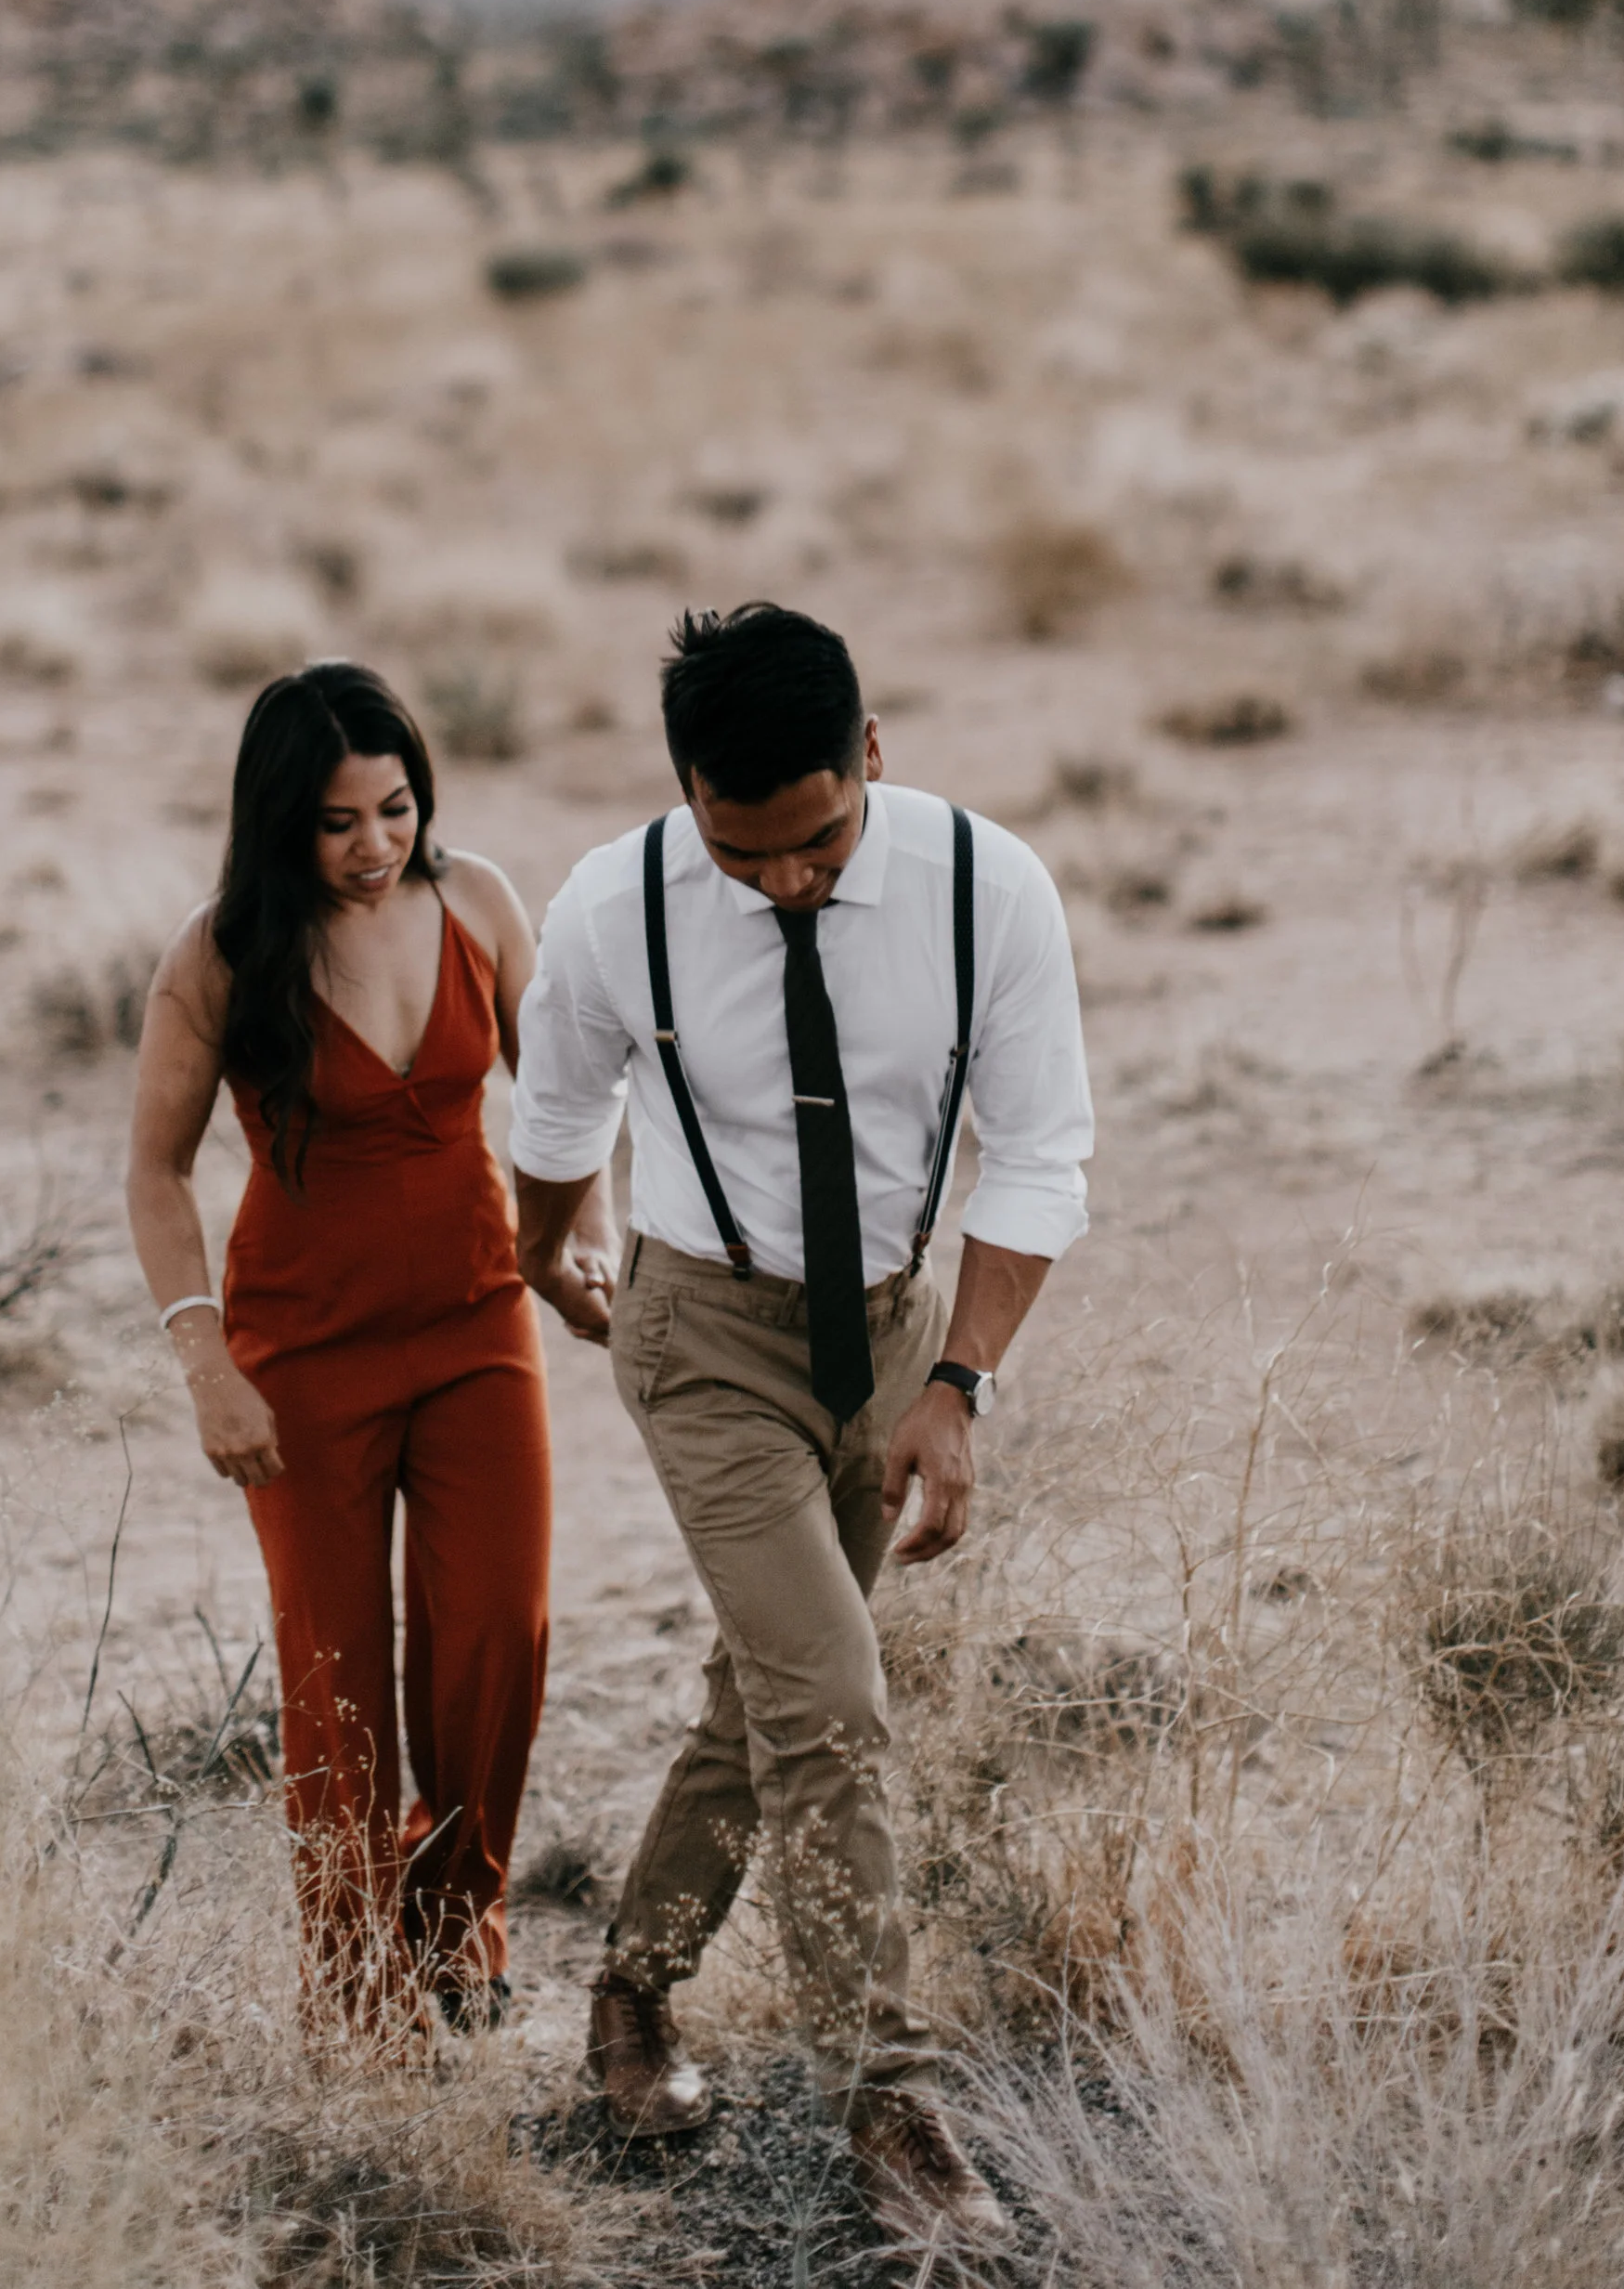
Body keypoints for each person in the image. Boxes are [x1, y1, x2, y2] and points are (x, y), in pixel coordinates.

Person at [510, 602, 1093, 2249]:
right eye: (742, 848)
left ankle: (629, 1986)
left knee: (767, 1689)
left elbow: (1041, 1152)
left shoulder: (993, 890)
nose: (786, 880)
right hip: (706, 1336)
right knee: (833, 1703)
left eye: (820, 838)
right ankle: (889, 2105)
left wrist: (959, 1382)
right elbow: (558, 1108)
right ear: (689, 790)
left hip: (902, 1333)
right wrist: (544, 1247)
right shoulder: (616, 903)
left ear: (876, 757)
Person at [124, 660, 598, 2027]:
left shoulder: (479, 903)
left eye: (396, 807)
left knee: (496, 1632)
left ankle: (458, 1927)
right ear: (281, 820)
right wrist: (206, 1364)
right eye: (339, 822)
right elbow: (156, 1173)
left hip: (476, 1322)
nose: (376, 845)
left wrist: (584, 1243)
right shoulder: (218, 954)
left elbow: (564, 1100)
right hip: (301, 1360)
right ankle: (356, 1994)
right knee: (337, 1680)